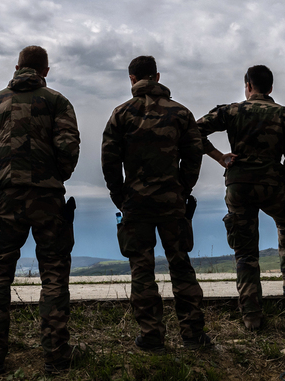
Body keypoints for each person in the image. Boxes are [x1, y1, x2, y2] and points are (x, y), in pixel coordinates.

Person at [0, 46, 81, 374]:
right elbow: (68, 148)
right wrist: (54, 176)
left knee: (1, 274)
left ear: (17, 66)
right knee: (54, 275)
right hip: (49, 199)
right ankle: (56, 356)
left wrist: (3, 178)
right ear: (45, 70)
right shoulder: (58, 101)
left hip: (9, 200)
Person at [101, 56, 211, 353]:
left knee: (141, 269)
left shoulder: (121, 114)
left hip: (135, 204)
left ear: (132, 79)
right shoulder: (181, 113)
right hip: (172, 202)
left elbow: (109, 161)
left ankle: (151, 336)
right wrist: (182, 188)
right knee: (181, 266)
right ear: (158, 76)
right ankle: (193, 336)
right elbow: (194, 155)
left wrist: (120, 196)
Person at [196, 65, 285, 331]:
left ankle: (252, 315)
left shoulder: (231, 111)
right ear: (270, 88)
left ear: (248, 86)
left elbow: (193, 131)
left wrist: (219, 156)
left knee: (245, 251)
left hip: (239, 186)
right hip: (272, 184)